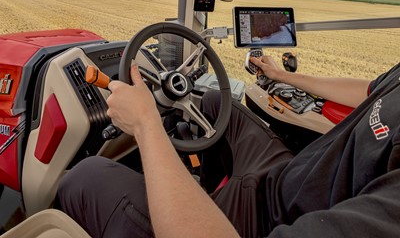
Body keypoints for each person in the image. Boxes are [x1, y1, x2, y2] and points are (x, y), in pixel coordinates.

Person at [56, 56, 400, 238]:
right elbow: (370, 89)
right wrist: (284, 77)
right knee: (215, 101)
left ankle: (201, 208)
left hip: (268, 224)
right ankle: (203, 194)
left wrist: (146, 125)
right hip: (285, 180)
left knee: (84, 177)